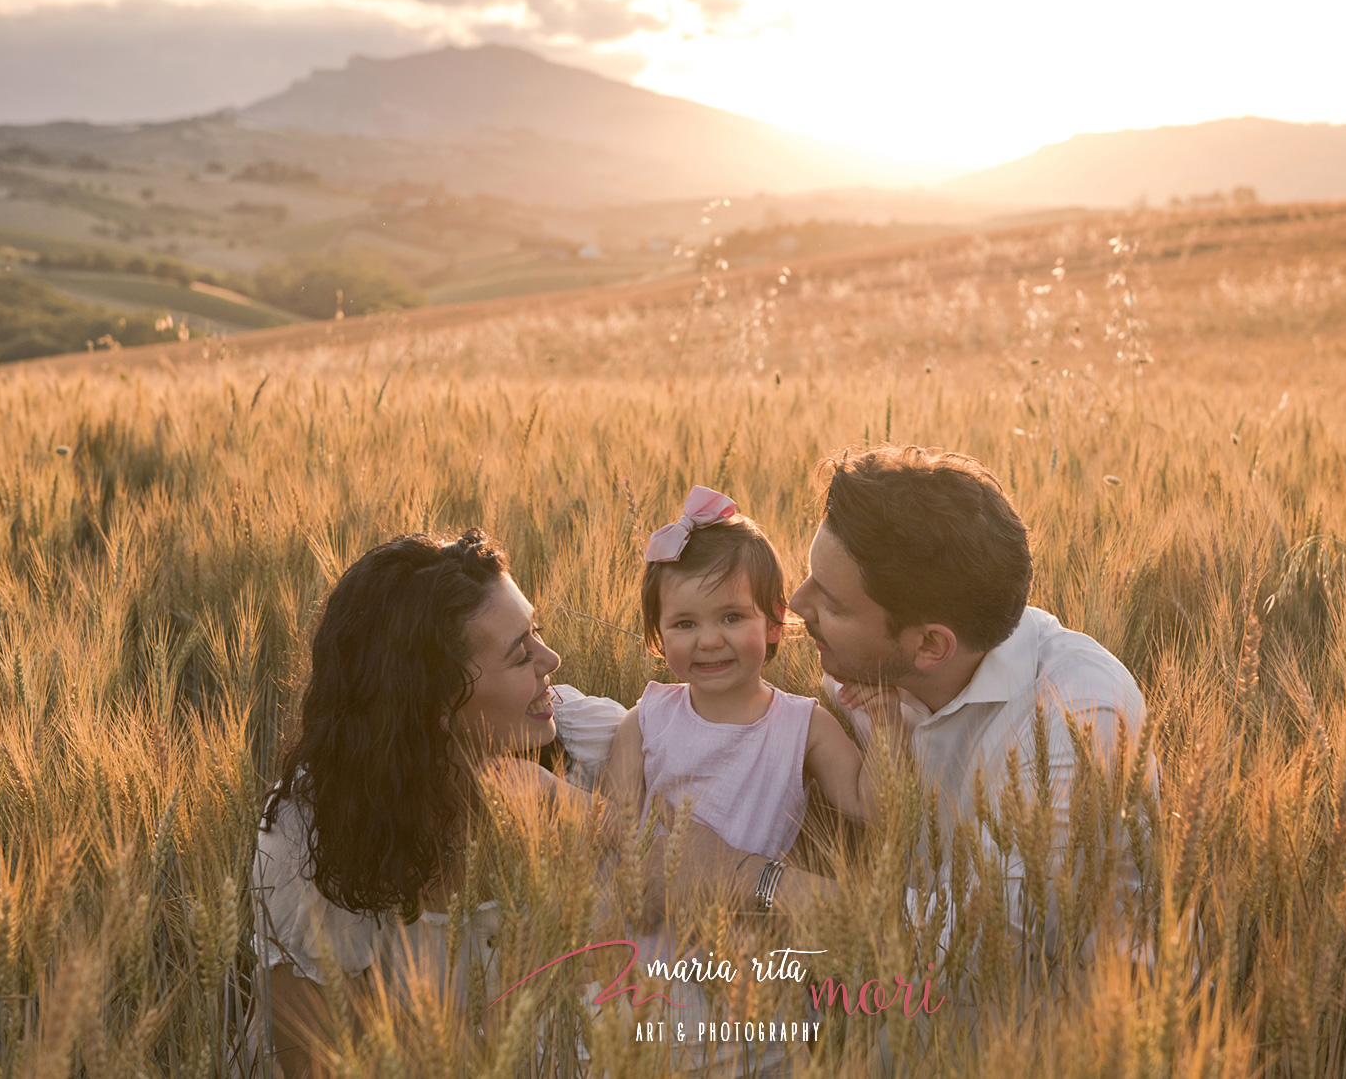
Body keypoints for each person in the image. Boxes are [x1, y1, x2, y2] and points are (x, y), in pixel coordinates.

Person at [639, 447, 1149, 951]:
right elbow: (717, 730)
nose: (796, 604)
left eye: (832, 602)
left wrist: (745, 877)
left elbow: (989, 938)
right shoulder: (859, 669)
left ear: (929, 645)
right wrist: (559, 723)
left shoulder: (1079, 718)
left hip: (1055, 1017)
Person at [240, 529, 625, 1079]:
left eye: (535, 631)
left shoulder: (583, 740)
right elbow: (315, 1062)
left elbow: (693, 836)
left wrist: (574, 809)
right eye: (521, 655)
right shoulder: (313, 826)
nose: (552, 658)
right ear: (434, 706)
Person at [604, 485, 881, 875]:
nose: (710, 640)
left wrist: (888, 726)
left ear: (773, 621)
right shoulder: (645, 723)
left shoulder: (806, 726)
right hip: (647, 920)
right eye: (685, 624)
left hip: (748, 920)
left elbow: (867, 807)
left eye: (732, 617)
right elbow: (612, 834)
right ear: (657, 638)